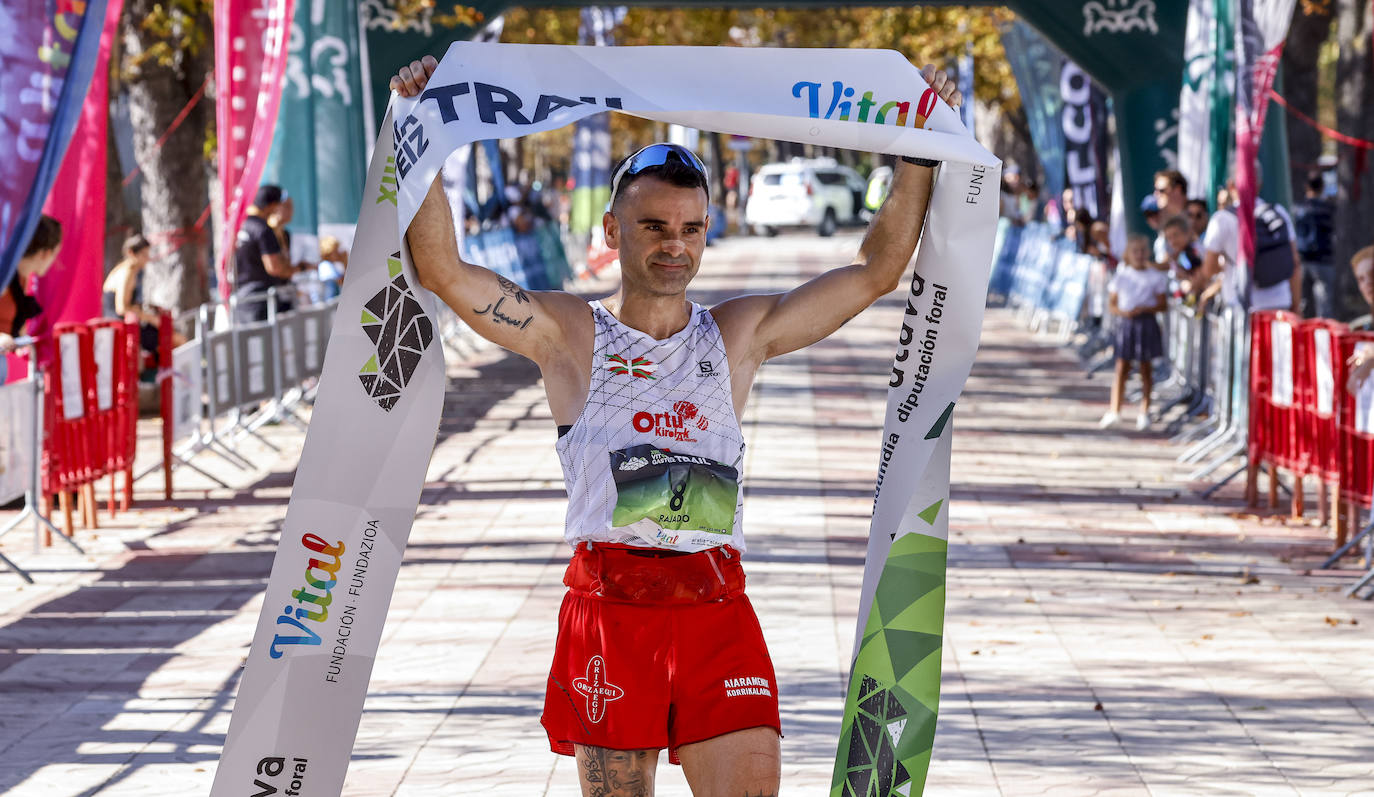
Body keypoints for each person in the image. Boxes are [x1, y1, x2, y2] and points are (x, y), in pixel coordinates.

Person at [391, 55, 963, 796]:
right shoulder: (570, 333)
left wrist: (916, 149)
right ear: (613, 228)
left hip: (715, 606)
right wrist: (421, 129)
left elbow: (877, 271)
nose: (674, 243)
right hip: (611, 610)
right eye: (654, 225)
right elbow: (442, 270)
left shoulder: (737, 334)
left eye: (690, 228)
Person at [1199, 174, 1302, 313]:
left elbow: (1209, 269)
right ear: (1260, 184)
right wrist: (1296, 306)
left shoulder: (1221, 219)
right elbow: (1294, 262)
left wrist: (1224, 264)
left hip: (1240, 309)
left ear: (1230, 185)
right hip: (1280, 306)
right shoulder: (1279, 212)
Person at [1100, 234, 1168, 430]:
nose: (1138, 255)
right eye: (1134, 251)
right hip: (1127, 323)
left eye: (1142, 251)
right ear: (1128, 254)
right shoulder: (1122, 276)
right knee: (1122, 367)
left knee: (1146, 368)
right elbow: (1112, 304)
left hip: (1146, 323)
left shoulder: (1154, 276)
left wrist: (1145, 309)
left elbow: (1162, 304)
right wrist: (1124, 312)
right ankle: (1115, 410)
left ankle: (1144, 411)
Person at [0, 214, 62, 357]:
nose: (56, 262)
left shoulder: (21, 279)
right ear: (46, 253)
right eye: (55, 255)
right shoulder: (4, 274)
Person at [233, 185, 296, 323]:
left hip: (241, 299)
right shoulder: (262, 229)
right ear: (272, 205)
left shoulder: (240, 224)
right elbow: (274, 268)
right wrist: (298, 269)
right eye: (280, 205)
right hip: (261, 301)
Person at [1294, 171, 1336, 318]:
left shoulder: (1298, 209)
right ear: (1322, 187)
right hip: (1323, 260)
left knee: (1302, 301)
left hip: (1303, 258)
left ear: (1306, 186)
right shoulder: (1328, 209)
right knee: (1324, 303)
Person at [1152, 169, 1188, 262]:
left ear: (1177, 190)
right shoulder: (1163, 222)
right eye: (1155, 190)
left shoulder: (1197, 215)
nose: (1156, 194)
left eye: (1161, 190)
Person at [317, 236, 348, 300]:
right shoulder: (325, 266)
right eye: (336, 250)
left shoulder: (333, 265)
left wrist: (345, 262)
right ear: (329, 252)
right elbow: (342, 283)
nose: (338, 252)